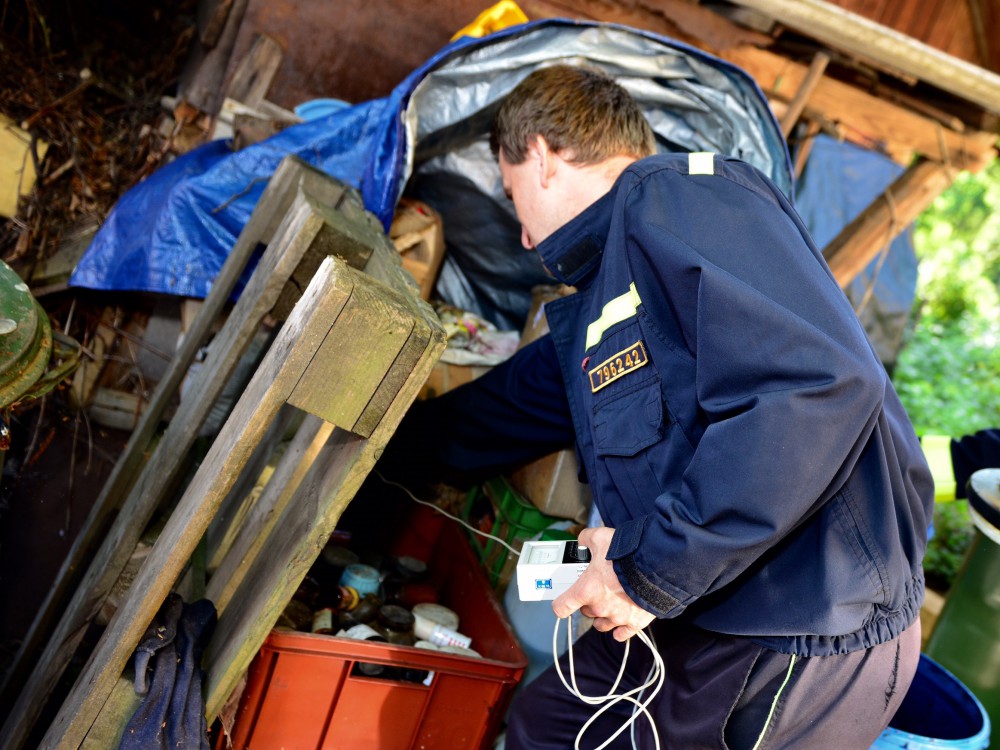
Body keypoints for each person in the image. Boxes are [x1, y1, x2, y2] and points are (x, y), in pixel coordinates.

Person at [385, 64, 933, 749]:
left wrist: (648, 574)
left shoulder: (682, 198)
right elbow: (501, 411)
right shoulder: (606, 296)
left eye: (509, 191)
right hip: (703, 603)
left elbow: (815, 389)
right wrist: (379, 457)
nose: (523, 236)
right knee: (544, 726)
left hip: (802, 620)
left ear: (543, 157)